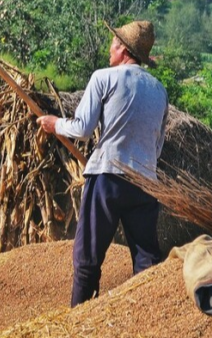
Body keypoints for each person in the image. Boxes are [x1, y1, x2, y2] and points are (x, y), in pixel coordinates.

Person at [36, 20, 168, 307]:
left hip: (107, 178)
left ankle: (78, 318)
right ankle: (148, 318)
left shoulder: (103, 78)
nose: (110, 49)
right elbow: (157, 146)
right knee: (147, 261)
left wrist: (55, 124)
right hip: (146, 183)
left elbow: (83, 129)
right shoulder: (159, 90)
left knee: (87, 260)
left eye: (113, 44)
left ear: (123, 49)